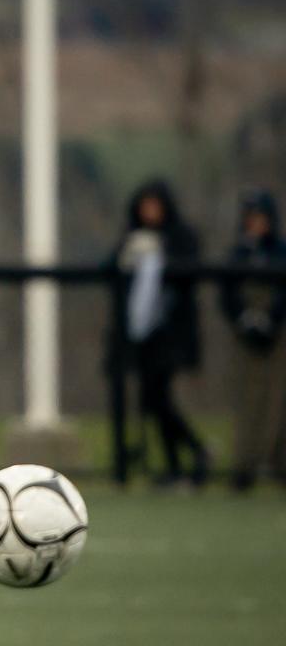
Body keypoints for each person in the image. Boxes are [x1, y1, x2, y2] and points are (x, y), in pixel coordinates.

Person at [105, 179, 209, 487]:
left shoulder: (180, 236)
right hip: (140, 336)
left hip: (170, 334)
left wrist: (163, 259)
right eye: (145, 205)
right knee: (152, 400)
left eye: (155, 205)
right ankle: (178, 464)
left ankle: (193, 452)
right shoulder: (133, 236)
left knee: (158, 398)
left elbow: (190, 275)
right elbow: (109, 266)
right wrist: (126, 255)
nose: (150, 211)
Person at [219, 189, 286, 491]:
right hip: (245, 337)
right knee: (248, 400)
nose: (256, 224)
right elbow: (226, 293)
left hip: (277, 336)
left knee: (278, 398)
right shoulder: (237, 254)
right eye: (251, 218)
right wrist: (245, 318)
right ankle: (243, 467)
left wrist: (271, 319)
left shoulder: (281, 252)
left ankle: (278, 463)